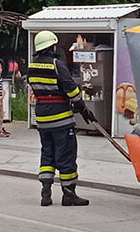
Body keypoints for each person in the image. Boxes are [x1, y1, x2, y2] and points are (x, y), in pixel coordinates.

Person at [30, 31, 94, 207]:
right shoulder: (56, 64)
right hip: (61, 118)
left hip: (42, 118)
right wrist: (82, 108)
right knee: (66, 154)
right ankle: (69, 195)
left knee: (47, 153)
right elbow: (71, 89)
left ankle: (46, 193)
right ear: (52, 46)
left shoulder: (32, 66)